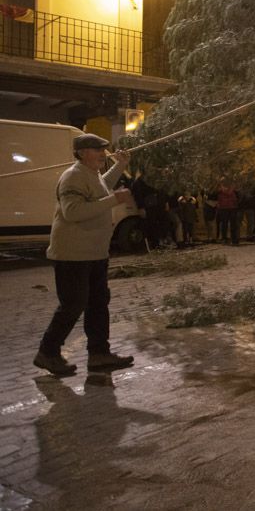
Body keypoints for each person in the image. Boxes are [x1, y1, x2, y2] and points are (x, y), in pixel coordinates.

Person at [34, 134, 136, 376]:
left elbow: (101, 187)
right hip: (72, 255)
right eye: (96, 149)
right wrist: (114, 201)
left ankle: (99, 354)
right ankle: (47, 352)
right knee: (73, 305)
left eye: (104, 149)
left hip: (94, 253)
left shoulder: (90, 174)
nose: (103, 153)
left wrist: (120, 165)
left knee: (98, 303)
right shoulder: (72, 177)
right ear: (81, 153)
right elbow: (73, 212)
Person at [216, 179, 239, 245]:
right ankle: (232, 239)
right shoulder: (231, 188)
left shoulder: (221, 188)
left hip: (226, 207)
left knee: (226, 224)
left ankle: (226, 239)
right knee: (229, 224)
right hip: (229, 207)